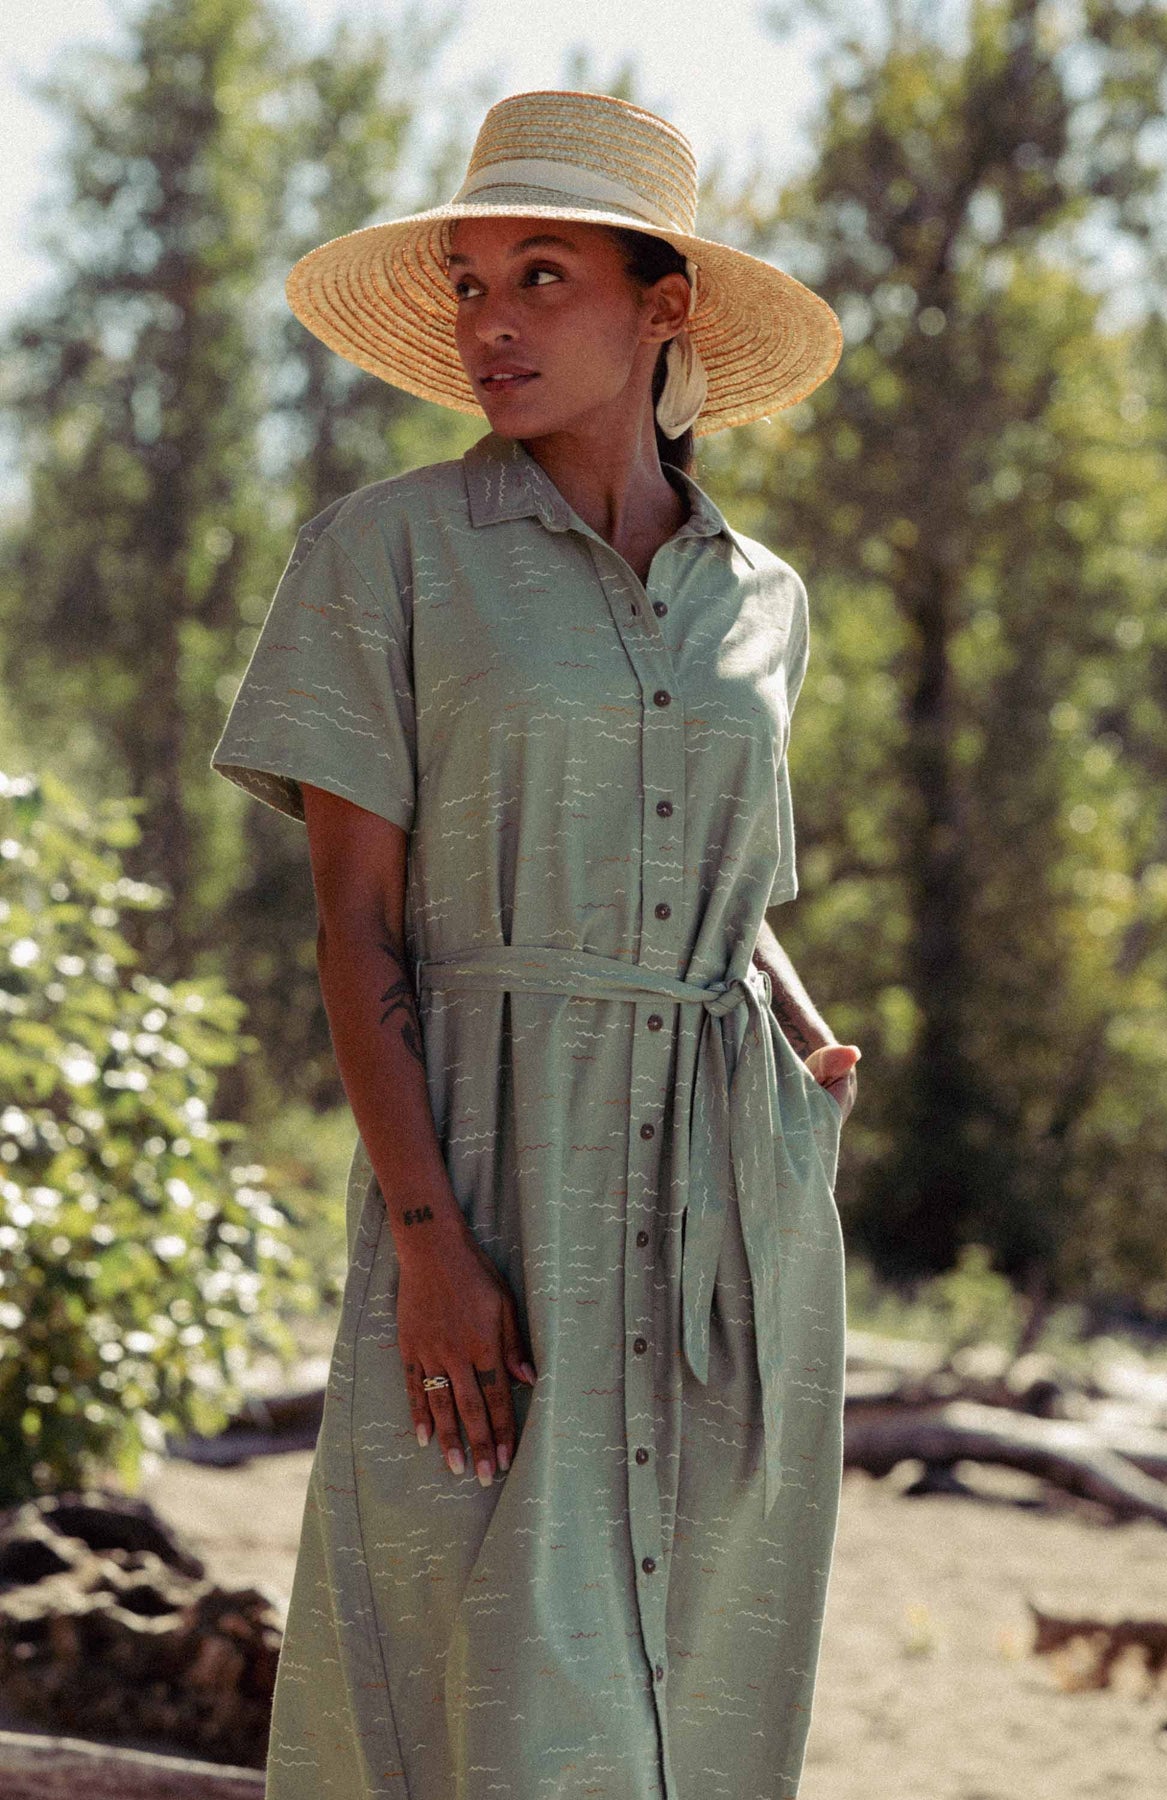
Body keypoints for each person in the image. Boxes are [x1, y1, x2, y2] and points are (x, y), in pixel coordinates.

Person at [210, 86, 861, 1800]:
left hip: (730, 1201)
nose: (488, 323)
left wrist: (806, 1060)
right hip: (493, 1178)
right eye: (470, 283)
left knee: (702, 1677)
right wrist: (432, 1241)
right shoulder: (385, 553)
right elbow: (355, 927)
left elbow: (733, 890)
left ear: (665, 307)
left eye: (542, 276)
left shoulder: (765, 600)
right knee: (478, 1679)